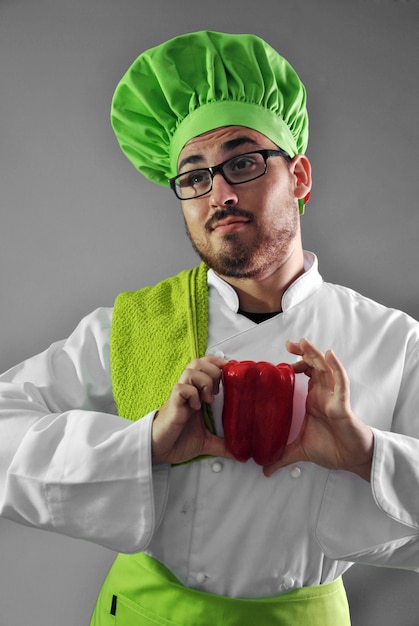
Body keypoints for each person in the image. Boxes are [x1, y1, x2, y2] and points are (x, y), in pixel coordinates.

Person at [0, 30, 418, 625]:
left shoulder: (394, 341)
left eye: (243, 162)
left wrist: (367, 456)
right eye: (193, 176)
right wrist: (143, 445)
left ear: (297, 178)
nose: (218, 193)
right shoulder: (133, 327)